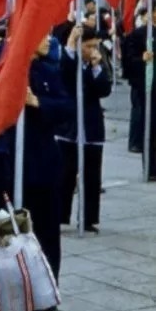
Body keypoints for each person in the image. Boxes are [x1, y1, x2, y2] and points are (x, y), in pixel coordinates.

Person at [16, 34, 75, 311]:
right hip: (15, 165)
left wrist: (37, 101)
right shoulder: (6, 66)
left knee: (48, 234)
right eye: (40, 32)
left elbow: (67, 108)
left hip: (46, 163)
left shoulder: (48, 70)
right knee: (15, 235)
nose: (48, 39)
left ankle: (46, 298)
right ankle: (16, 302)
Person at [57, 26, 112, 231]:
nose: (92, 50)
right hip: (70, 126)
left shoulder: (94, 64)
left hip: (92, 125)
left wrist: (97, 66)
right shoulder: (70, 61)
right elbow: (65, 70)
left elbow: (104, 89)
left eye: (94, 46)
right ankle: (61, 215)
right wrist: (72, 42)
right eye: (88, 46)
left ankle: (88, 218)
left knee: (92, 176)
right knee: (66, 174)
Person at [123, 2, 156, 177]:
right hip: (148, 87)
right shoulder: (139, 35)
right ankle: (150, 167)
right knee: (150, 126)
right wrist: (141, 59)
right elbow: (128, 61)